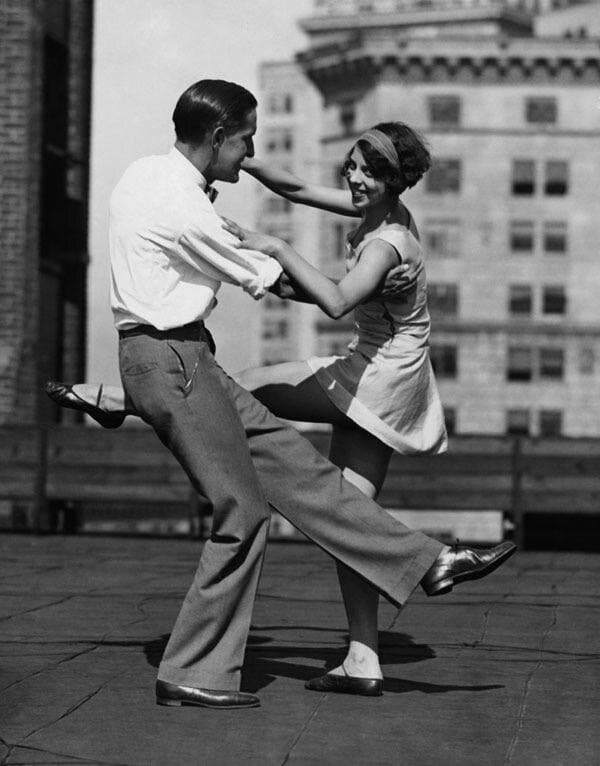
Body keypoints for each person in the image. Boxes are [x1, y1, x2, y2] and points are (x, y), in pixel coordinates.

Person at [46, 79, 516, 708]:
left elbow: (321, 287)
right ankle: (200, 669)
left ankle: (420, 571)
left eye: (367, 172)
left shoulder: (147, 175)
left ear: (392, 183)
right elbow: (285, 235)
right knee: (258, 503)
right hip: (179, 359)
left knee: (307, 479)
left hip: (320, 372)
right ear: (218, 137)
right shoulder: (186, 203)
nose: (252, 150)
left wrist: (274, 237)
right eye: (245, 140)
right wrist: (257, 208)